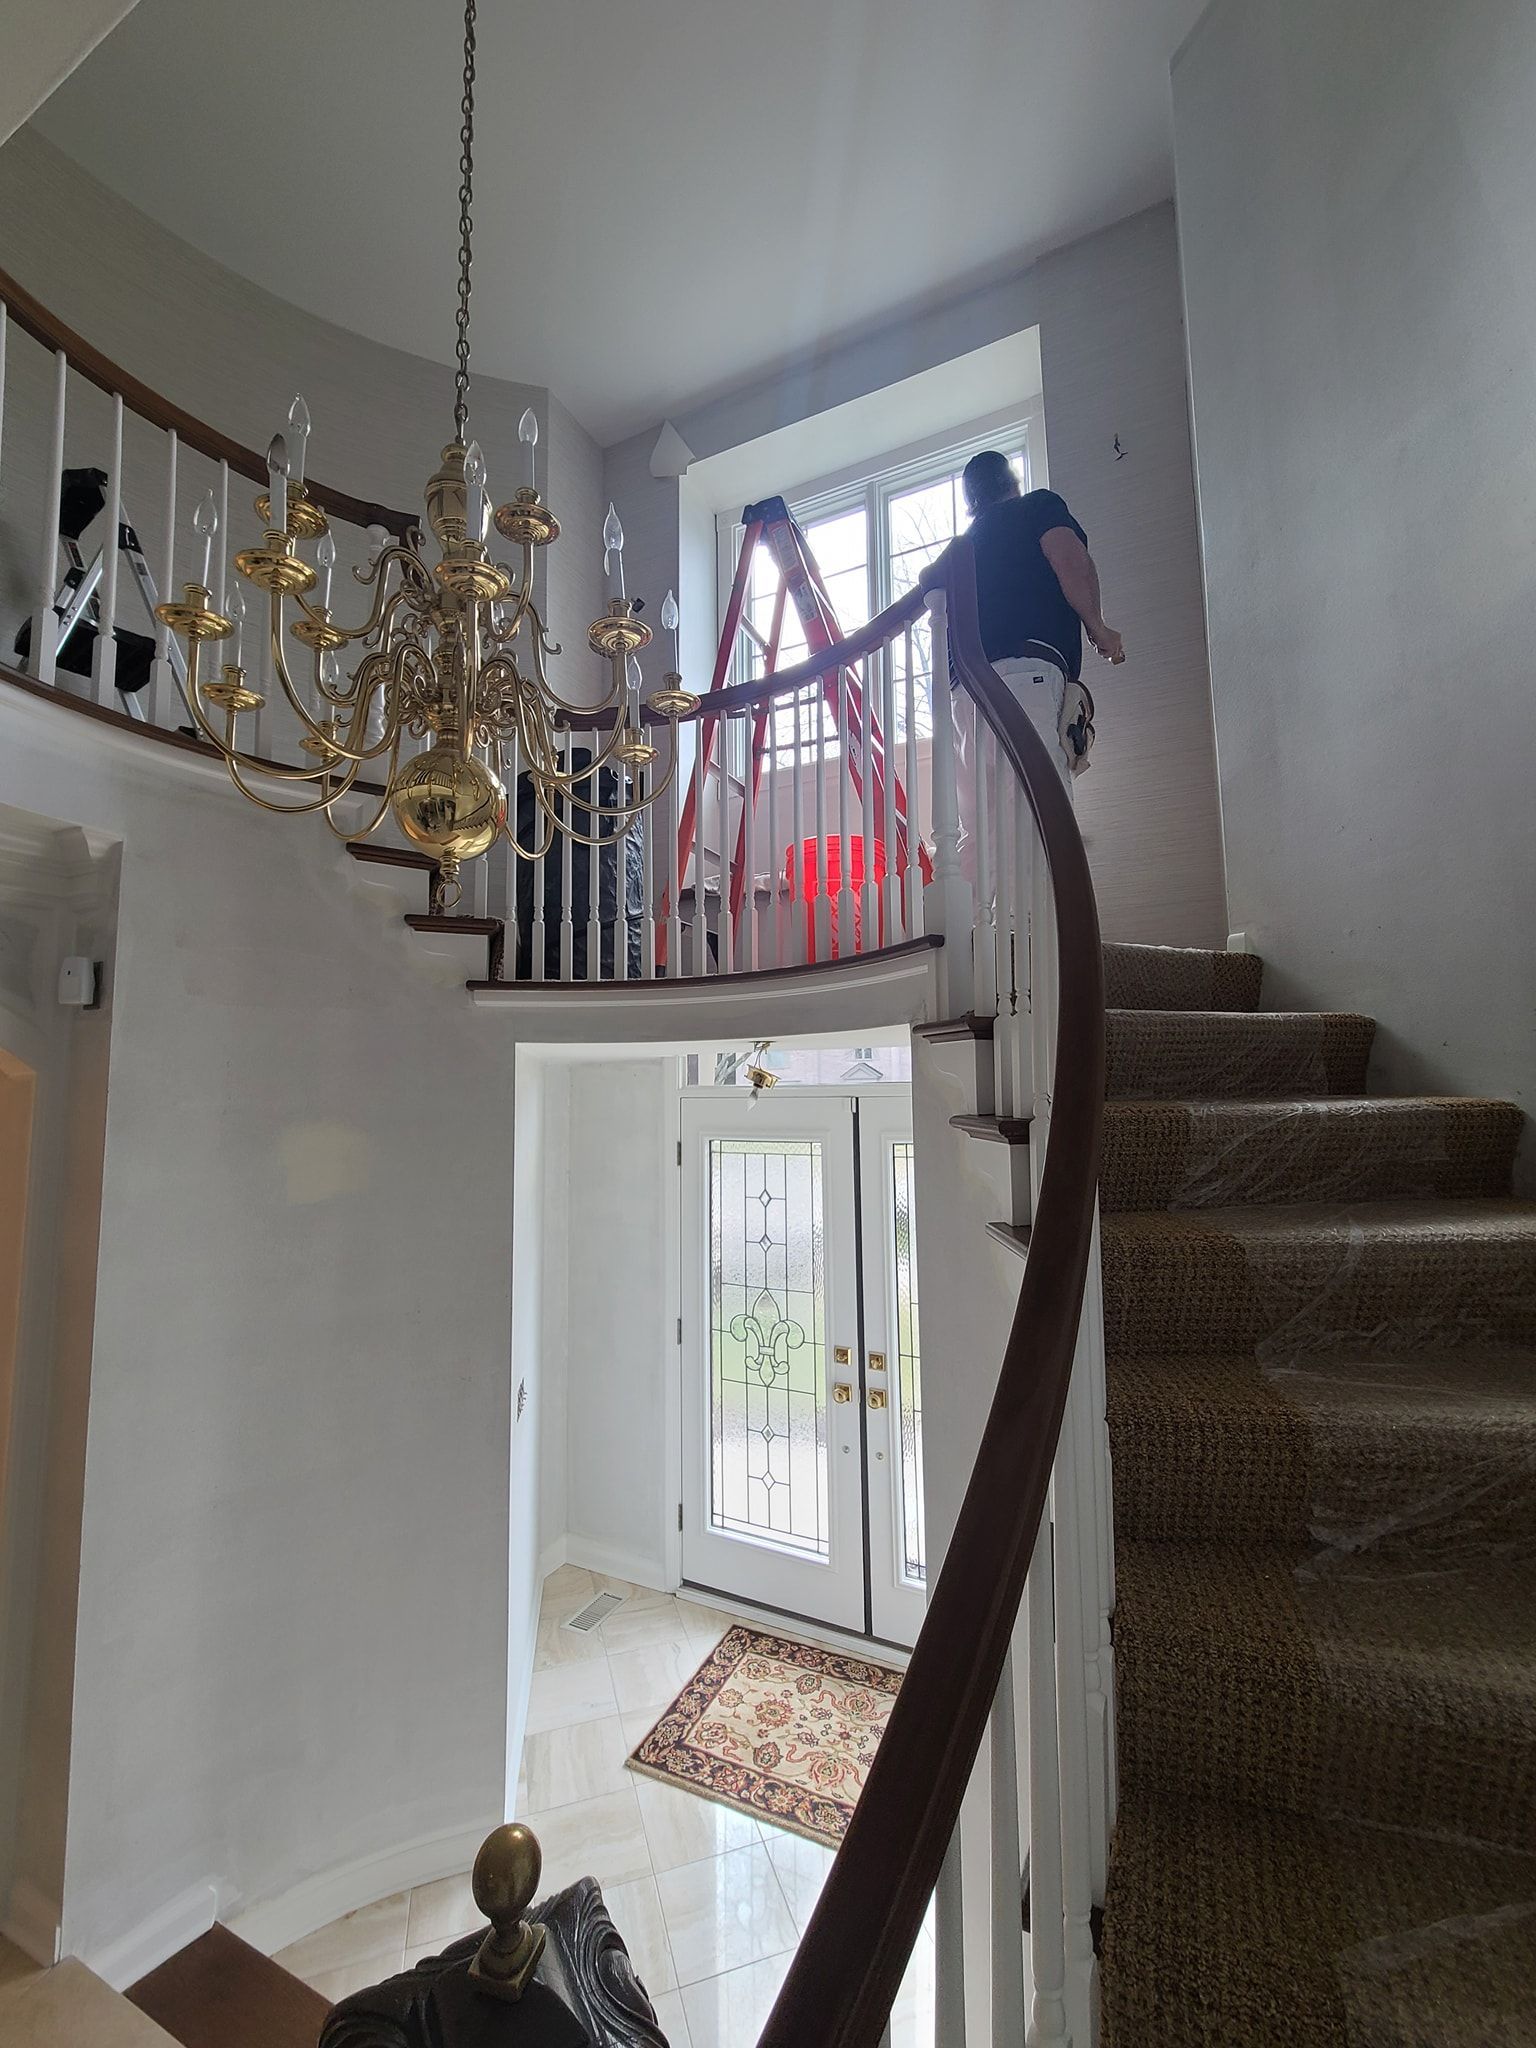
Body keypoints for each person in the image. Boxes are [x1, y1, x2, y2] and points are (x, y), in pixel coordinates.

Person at [922, 452, 1124, 791]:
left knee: (981, 820)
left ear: (971, 501)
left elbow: (929, 584)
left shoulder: (961, 549)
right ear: (1013, 483)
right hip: (1023, 670)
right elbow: (1069, 557)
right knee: (1039, 802)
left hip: (963, 689)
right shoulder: (1036, 506)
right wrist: (1098, 627)